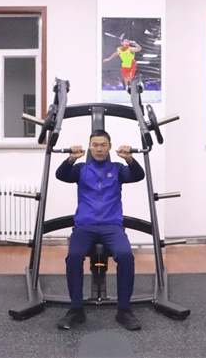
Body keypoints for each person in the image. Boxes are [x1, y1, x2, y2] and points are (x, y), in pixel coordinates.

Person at [55, 129, 145, 330]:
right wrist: (71, 159)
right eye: (95, 145)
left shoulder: (118, 169)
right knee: (74, 257)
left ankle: (124, 310)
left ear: (109, 147)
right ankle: (76, 310)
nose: (99, 149)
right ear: (89, 146)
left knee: (126, 256)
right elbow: (61, 175)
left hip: (112, 226)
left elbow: (138, 175)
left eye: (103, 145)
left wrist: (130, 159)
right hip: (84, 226)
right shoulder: (81, 169)